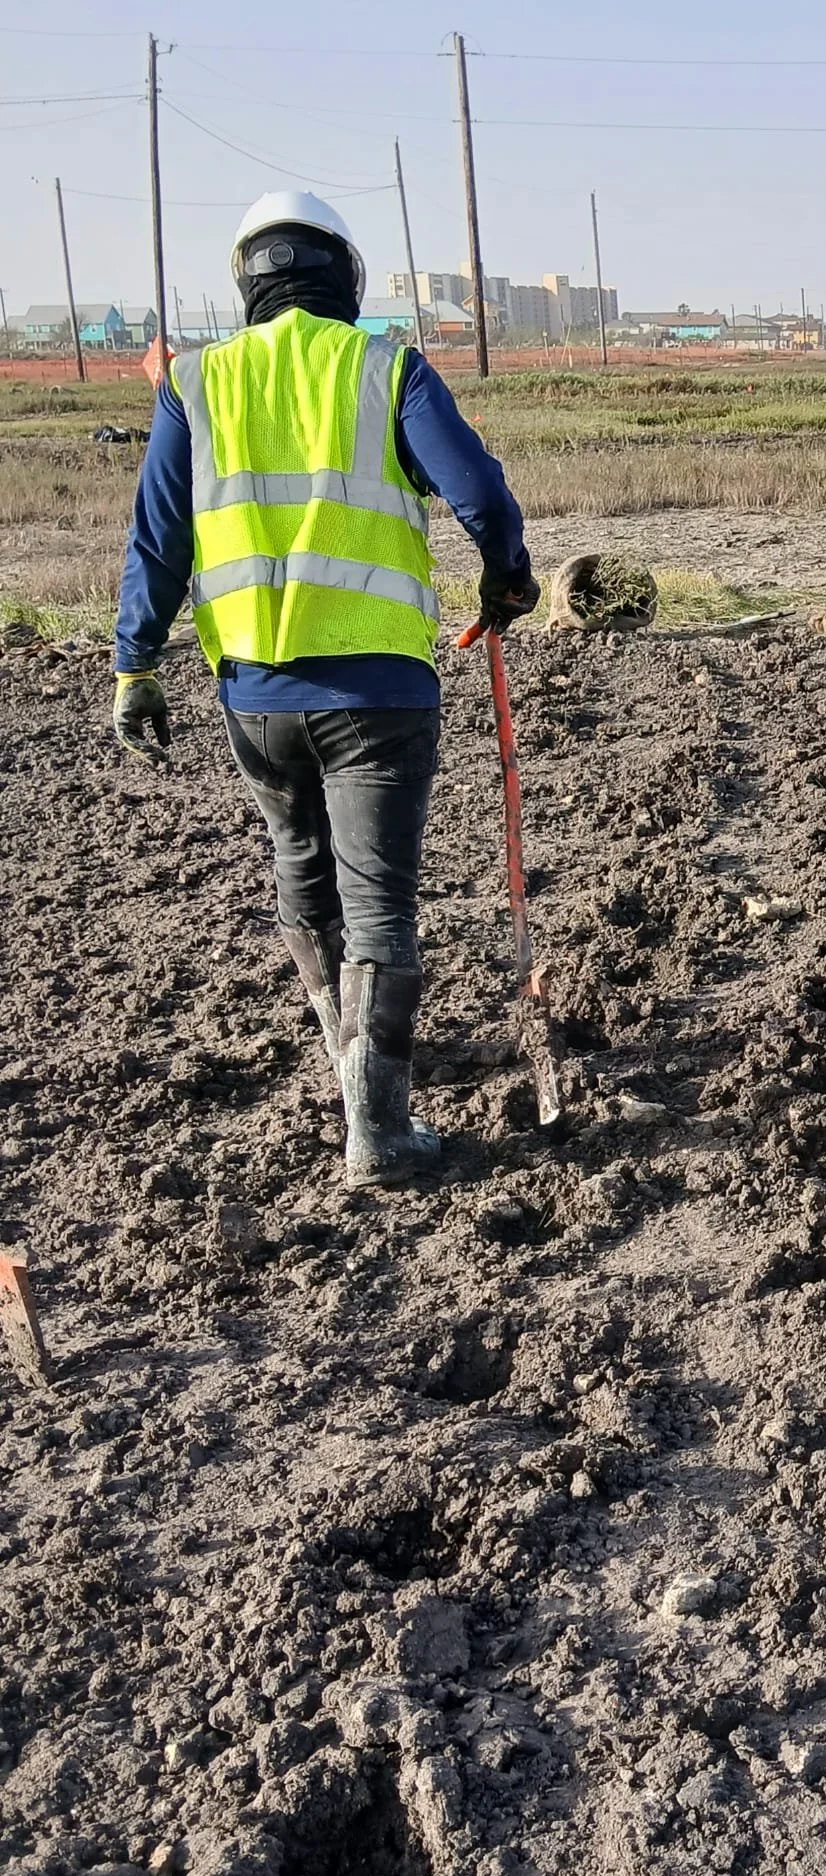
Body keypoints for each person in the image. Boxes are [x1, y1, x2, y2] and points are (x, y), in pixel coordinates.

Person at [111, 192, 540, 1188]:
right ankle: (378, 1130)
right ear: (344, 277)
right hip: (380, 695)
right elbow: (477, 493)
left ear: (247, 281)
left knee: (302, 874)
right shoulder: (382, 365)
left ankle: (350, 1068)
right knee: (379, 899)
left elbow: (157, 540)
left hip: (256, 701)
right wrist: (506, 575)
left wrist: (135, 665)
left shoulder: (195, 383)